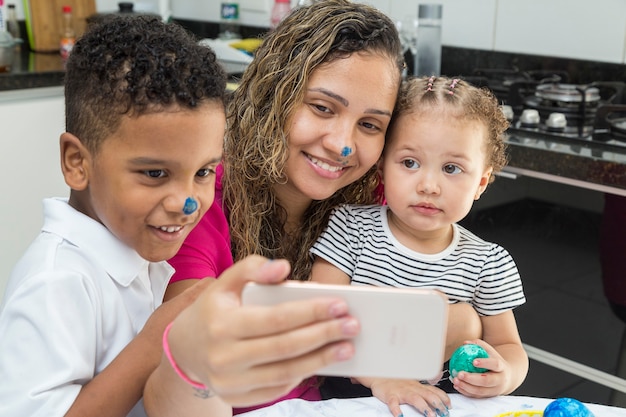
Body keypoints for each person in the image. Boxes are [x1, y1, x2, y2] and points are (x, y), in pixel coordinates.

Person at [0, 16, 353, 417]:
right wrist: (159, 341)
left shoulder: (139, 251)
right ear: (77, 162)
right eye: (155, 174)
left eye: (203, 172)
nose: (187, 203)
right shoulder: (57, 281)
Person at [154, 1, 482, 416]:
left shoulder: (374, 201)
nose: (343, 145)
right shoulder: (202, 200)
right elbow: (197, 352)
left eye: (369, 125)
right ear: (272, 93)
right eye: (322, 108)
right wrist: (385, 337)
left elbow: (465, 324)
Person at [310, 76, 529, 417]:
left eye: (451, 168)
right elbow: (317, 321)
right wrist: (382, 379)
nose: (429, 185)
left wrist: (505, 375)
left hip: (438, 407)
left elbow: (509, 347)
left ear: (481, 183)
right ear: (382, 167)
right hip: (352, 404)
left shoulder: (488, 262)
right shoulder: (350, 228)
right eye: (410, 163)